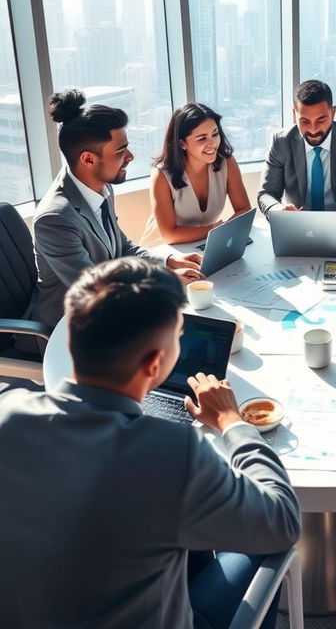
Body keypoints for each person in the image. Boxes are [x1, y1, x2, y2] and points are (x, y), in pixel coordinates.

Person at [0, 257, 301, 628]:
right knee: (266, 538)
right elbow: (283, 519)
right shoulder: (174, 452)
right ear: (156, 364)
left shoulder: (7, 409)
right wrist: (231, 421)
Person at [32, 89, 202, 328]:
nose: (130, 156)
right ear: (88, 159)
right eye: (121, 151)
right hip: (70, 329)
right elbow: (94, 287)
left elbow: (122, 246)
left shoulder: (100, 185)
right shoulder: (55, 218)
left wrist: (168, 261)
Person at [258, 79, 336, 234]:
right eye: (304, 121)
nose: (313, 130)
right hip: (299, 227)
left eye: (321, 120)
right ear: (294, 114)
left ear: (333, 112)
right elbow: (266, 194)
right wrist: (277, 209)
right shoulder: (280, 142)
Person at [148, 103, 251, 245]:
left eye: (215, 134)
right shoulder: (161, 176)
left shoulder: (227, 163)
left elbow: (244, 210)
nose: (212, 143)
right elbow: (170, 235)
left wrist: (219, 232)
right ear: (182, 144)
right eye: (202, 138)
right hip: (166, 250)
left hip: (202, 244)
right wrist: (216, 230)